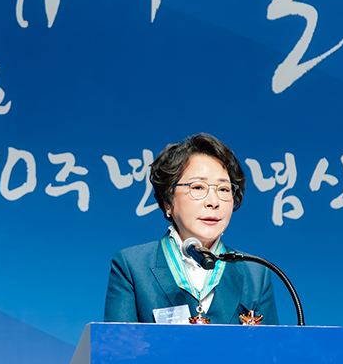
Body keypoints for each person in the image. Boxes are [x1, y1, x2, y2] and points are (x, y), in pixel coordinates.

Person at [104, 133, 279, 325]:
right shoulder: (133, 266)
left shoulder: (255, 274)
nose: (213, 202)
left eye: (223, 189)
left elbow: (271, 344)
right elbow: (118, 343)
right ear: (168, 200)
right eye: (198, 187)